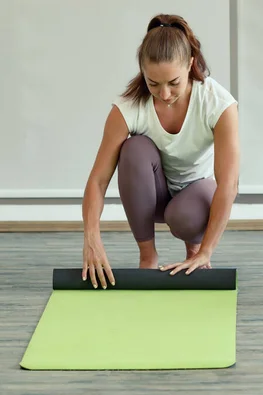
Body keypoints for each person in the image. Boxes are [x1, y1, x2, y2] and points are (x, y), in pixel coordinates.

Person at [81, 14, 239, 289]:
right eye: (153, 84)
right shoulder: (127, 107)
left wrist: (206, 251)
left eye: (173, 83)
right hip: (153, 195)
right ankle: (148, 256)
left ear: (190, 64)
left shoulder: (218, 103)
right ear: (143, 71)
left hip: (196, 199)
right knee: (133, 148)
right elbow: (97, 180)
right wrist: (91, 238)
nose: (164, 94)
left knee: (182, 217)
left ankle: (193, 251)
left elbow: (229, 184)